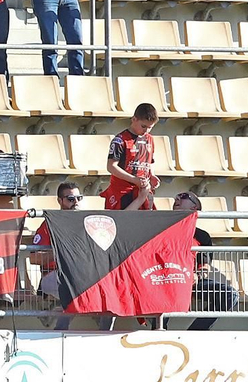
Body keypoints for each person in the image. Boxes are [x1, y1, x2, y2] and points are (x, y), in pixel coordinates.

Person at [174, 191, 238, 332]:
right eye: (177, 197)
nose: (177, 198)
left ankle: (195, 333)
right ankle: (160, 331)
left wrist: (196, 276)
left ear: (194, 208)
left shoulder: (202, 236)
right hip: (167, 279)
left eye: (185, 197)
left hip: (192, 280)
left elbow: (205, 267)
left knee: (229, 294)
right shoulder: (163, 230)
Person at [32, 181, 84, 329]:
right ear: (60, 201)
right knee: (74, 287)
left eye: (79, 198)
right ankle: (61, 329)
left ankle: (105, 334)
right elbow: (34, 258)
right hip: (53, 276)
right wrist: (62, 251)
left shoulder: (86, 222)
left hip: (81, 275)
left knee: (108, 288)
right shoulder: (49, 224)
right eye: (71, 199)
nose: (76, 202)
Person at [102, 103, 160, 211]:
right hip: (123, 192)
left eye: (150, 127)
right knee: (123, 224)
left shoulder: (150, 139)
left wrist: (152, 175)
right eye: (143, 126)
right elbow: (111, 167)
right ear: (134, 119)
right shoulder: (120, 140)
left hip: (143, 191)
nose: (146, 130)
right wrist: (134, 180)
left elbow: (149, 162)